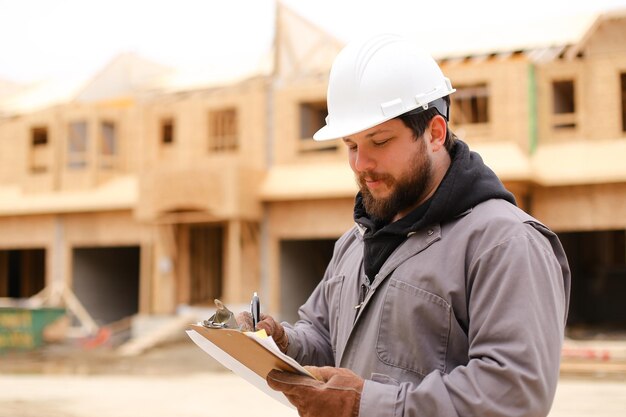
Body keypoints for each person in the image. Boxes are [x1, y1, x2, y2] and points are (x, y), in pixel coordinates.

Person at [238, 33, 571, 417]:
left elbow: (513, 396)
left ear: (434, 133)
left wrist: (365, 404)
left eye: (379, 141)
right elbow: (326, 339)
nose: (361, 163)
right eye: (351, 146)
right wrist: (284, 343)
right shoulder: (355, 242)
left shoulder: (505, 243)